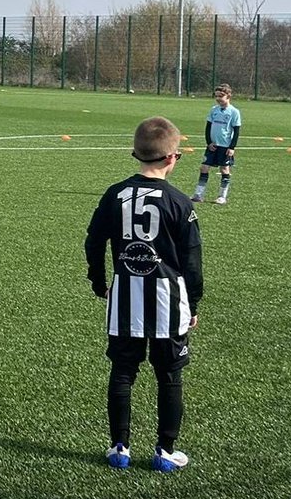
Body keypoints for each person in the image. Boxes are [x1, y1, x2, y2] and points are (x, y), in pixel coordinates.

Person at [85, 116, 203, 473]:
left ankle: (118, 447)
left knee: (122, 372)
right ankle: (165, 451)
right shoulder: (180, 202)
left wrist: (98, 282)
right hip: (169, 300)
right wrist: (193, 303)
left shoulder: (114, 194)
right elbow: (192, 260)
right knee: (169, 376)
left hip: (125, 298)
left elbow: (93, 241)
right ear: (172, 158)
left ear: (134, 153)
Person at [191, 83, 242, 205]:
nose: (218, 98)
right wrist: (209, 142)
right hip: (212, 146)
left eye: (221, 96)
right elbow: (208, 127)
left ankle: (222, 196)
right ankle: (198, 194)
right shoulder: (214, 110)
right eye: (217, 96)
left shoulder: (234, 112)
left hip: (225, 146)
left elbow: (236, 131)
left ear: (228, 96)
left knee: (224, 169)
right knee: (204, 167)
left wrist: (232, 147)